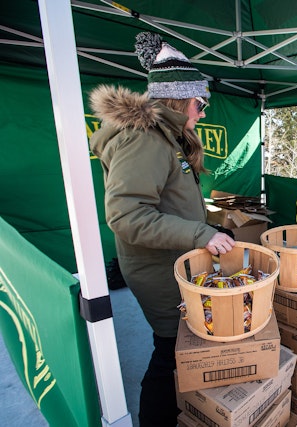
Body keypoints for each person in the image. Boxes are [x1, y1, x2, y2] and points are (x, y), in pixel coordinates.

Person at [89, 32, 236, 427]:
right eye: (199, 104)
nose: (202, 113)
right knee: (169, 349)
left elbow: (168, 200)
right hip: (159, 269)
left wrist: (206, 226)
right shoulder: (145, 140)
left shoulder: (166, 137)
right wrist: (200, 235)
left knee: (177, 346)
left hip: (174, 261)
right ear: (179, 99)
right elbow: (127, 215)